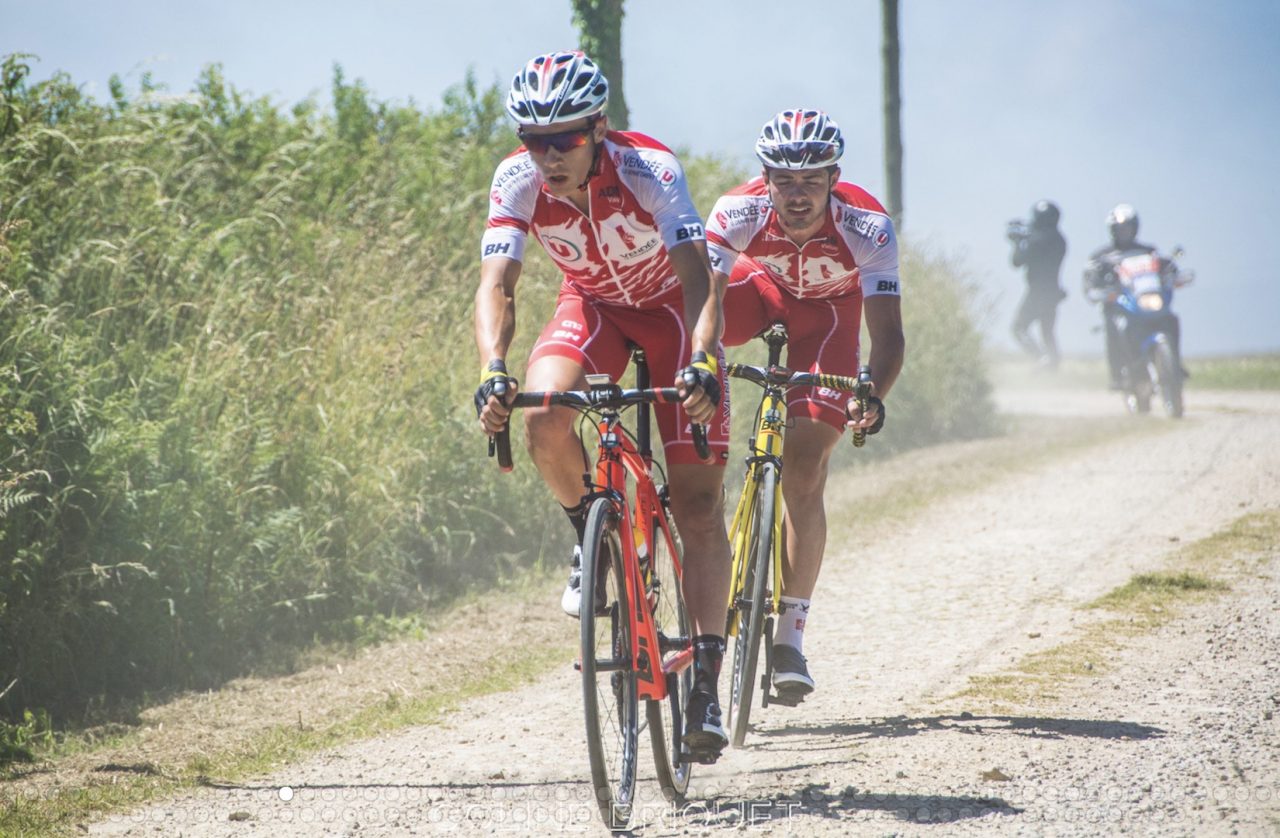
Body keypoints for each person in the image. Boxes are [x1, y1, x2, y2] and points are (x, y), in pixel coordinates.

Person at [473, 51, 732, 759]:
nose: (548, 155)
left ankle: (706, 673)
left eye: (565, 140)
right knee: (541, 414)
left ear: (599, 127)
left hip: (673, 312)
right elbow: (498, 280)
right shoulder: (518, 179)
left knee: (700, 507)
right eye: (534, 139)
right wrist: (493, 367)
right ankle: (592, 535)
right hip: (592, 307)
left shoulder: (650, 169)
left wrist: (704, 360)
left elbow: (697, 276)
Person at [705, 109, 905, 702]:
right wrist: (698, 369)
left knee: (806, 465)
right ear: (764, 177)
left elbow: (888, 336)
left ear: (834, 177)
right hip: (758, 294)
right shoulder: (735, 211)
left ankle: (789, 636)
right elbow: (704, 308)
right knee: (697, 340)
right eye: (784, 181)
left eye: (812, 181)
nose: (797, 195)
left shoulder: (867, 225)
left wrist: (872, 393)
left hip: (828, 320)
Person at [1082, 203, 1183, 389]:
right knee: (1116, 326)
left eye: (1127, 228)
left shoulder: (1148, 251)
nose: (1124, 233)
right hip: (1119, 304)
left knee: (1171, 320)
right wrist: (1099, 291)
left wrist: (1174, 276)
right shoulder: (1102, 256)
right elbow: (1090, 280)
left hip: (1145, 301)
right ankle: (1118, 375)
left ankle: (1175, 365)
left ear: (1135, 228)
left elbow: (1167, 267)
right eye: (1120, 229)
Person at [1007, 200, 1067, 368]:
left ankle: (1040, 358)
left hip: (1037, 293)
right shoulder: (1060, 240)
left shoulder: (1037, 241)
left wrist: (1018, 242)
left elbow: (1017, 261)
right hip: (1053, 292)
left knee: (1018, 328)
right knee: (1047, 331)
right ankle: (1052, 365)